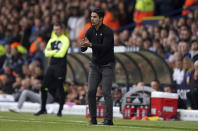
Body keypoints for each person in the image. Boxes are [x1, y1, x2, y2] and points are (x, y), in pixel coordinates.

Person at [81, 8, 115, 125]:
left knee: (106, 92)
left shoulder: (108, 31)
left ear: (101, 19)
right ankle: (93, 119)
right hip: (95, 65)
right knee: (90, 91)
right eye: (91, 17)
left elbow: (104, 47)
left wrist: (89, 44)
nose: (92, 19)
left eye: (94, 17)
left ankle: (108, 120)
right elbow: (83, 48)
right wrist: (83, 45)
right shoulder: (89, 31)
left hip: (107, 65)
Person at [34, 22, 70, 117]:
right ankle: (43, 109)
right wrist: (55, 51)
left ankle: (60, 110)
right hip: (52, 66)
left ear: (62, 30)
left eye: (57, 29)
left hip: (61, 67)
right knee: (43, 87)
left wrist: (52, 51)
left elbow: (61, 54)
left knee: (60, 88)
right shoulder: (52, 39)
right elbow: (46, 53)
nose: (56, 31)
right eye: (55, 29)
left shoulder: (65, 40)